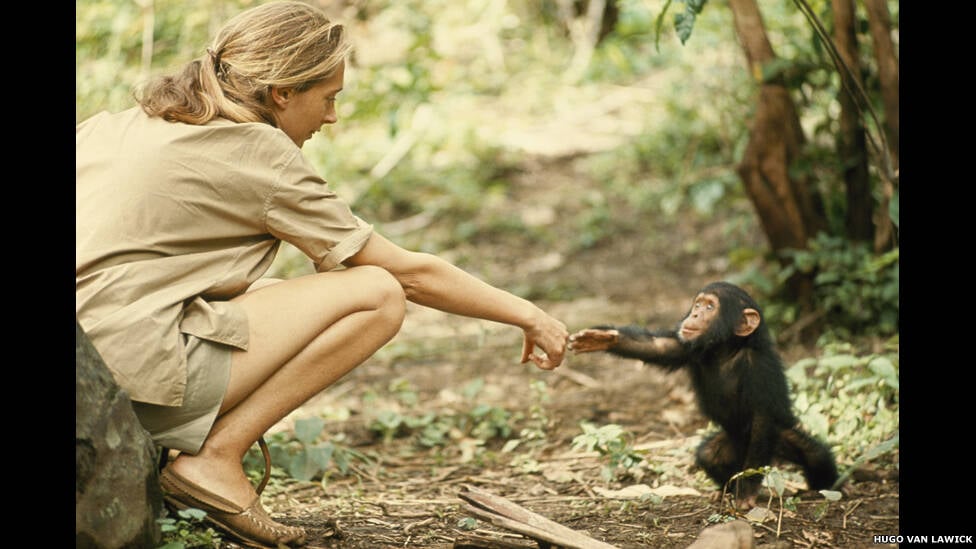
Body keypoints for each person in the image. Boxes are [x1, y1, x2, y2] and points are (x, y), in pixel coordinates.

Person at [75, 1, 569, 546]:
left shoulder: (113, 126)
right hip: (129, 380)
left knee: (267, 292)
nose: (332, 117)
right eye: (328, 98)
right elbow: (405, 275)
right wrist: (527, 314)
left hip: (87, 370)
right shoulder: (258, 150)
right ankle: (214, 460)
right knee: (374, 294)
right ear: (283, 92)